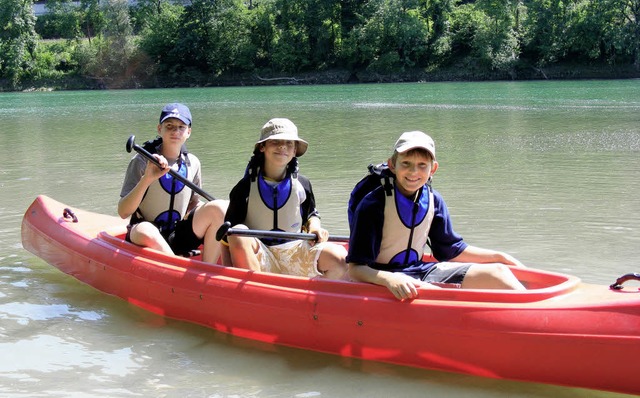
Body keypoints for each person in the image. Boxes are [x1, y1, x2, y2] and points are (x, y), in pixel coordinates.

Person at [347, 130, 525, 300]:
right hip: (384, 277)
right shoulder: (373, 204)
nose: (413, 172)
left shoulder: (433, 200)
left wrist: (500, 257)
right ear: (393, 165)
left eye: (422, 165)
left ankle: (535, 313)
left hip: (419, 270)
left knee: (498, 272)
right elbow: (355, 269)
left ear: (433, 169)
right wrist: (390, 280)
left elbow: (450, 250)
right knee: (434, 292)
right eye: (406, 163)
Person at [222, 118, 347, 280]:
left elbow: (311, 215)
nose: (282, 146)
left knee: (339, 257)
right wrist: (225, 275)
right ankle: (257, 289)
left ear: (295, 151)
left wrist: (315, 227)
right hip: (261, 255)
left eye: (289, 143)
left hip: (295, 251)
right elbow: (227, 237)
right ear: (262, 147)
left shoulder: (303, 184)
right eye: (275, 141)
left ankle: (318, 300)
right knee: (238, 232)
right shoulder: (244, 187)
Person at [118, 103, 228, 263]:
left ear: (188, 132)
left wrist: (219, 214)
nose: (175, 131)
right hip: (145, 232)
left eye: (181, 127)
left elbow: (193, 205)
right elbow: (123, 212)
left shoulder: (193, 163)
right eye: (169, 126)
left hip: (177, 234)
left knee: (220, 207)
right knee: (147, 230)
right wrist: (147, 178)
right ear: (159, 129)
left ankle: (207, 269)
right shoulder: (142, 161)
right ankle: (176, 268)